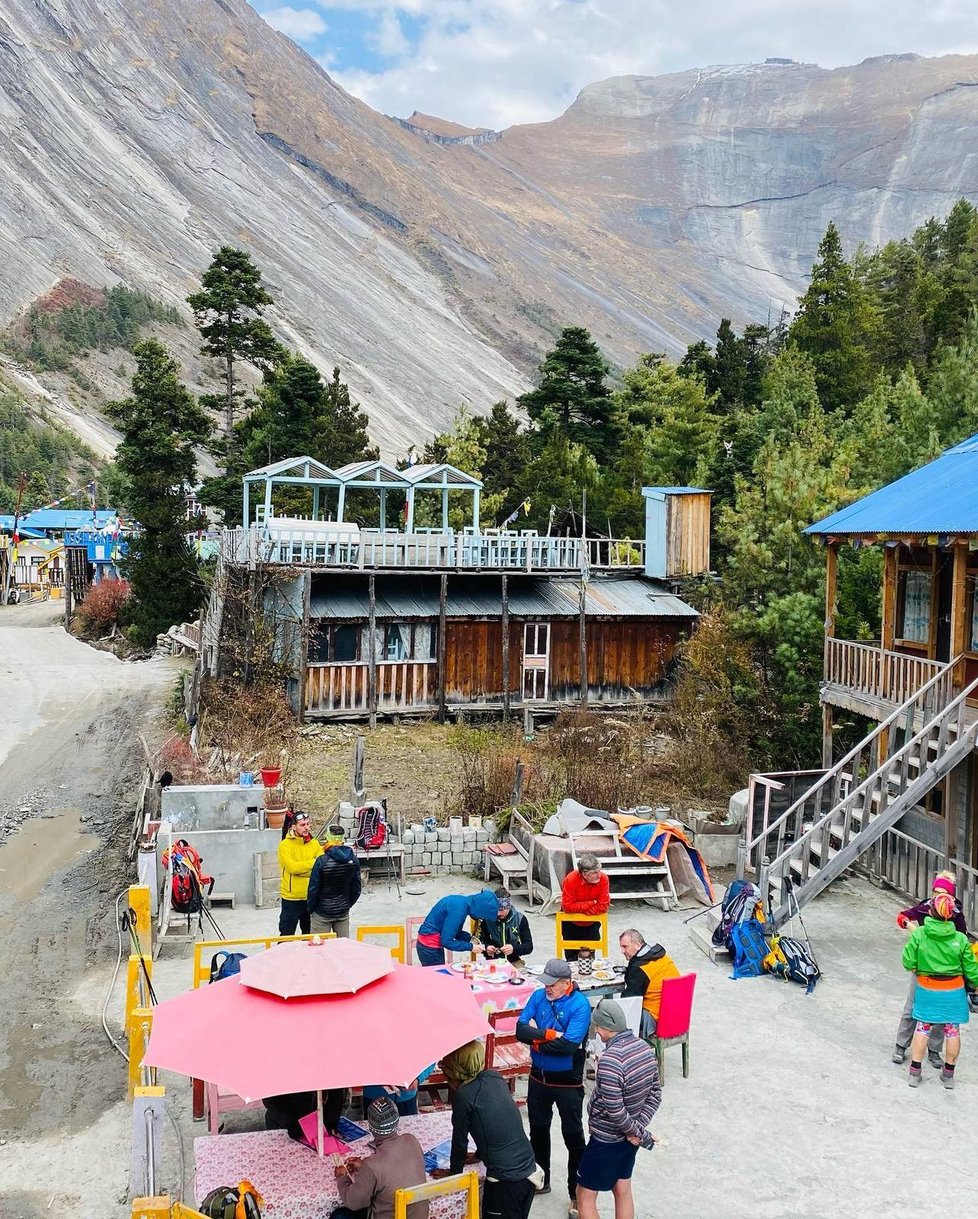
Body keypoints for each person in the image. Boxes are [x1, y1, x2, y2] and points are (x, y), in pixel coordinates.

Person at [515, 958, 592, 1209]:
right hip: (539, 1076)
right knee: (537, 1131)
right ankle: (541, 1180)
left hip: (567, 1081)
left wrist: (535, 1038)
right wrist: (547, 1035)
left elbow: (568, 1046)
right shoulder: (538, 996)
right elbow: (520, 1030)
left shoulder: (580, 1005)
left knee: (573, 1136)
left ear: (566, 984)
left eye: (552, 984)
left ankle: (575, 1192)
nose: (547, 988)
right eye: (546, 983)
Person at [576, 1000, 660, 1219]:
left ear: (604, 1027)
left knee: (584, 1194)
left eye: (597, 1027)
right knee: (622, 1189)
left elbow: (616, 1111)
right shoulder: (644, 1047)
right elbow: (655, 1094)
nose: (595, 1031)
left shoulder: (611, 1061)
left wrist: (637, 1132)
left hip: (606, 1139)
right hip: (628, 1140)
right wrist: (638, 1128)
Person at [438, 1040, 540, 1219]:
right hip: (528, 1169)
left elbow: (459, 1141)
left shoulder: (464, 1096)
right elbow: (496, 1122)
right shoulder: (494, 1077)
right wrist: (479, 1155)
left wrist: (452, 1176)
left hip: (506, 1182)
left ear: (455, 1070)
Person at [902, 890, 978, 1089]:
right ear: (951, 914)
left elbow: (908, 961)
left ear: (931, 912)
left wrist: (919, 969)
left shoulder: (919, 934)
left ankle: (915, 1073)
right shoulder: (961, 940)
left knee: (922, 1028)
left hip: (927, 988)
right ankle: (948, 1075)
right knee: (952, 1031)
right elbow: (972, 970)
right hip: (953, 991)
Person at [892, 872, 968, 1067]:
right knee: (911, 1008)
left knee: (941, 1016)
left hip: (947, 974)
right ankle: (901, 1045)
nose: (937, 897)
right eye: (935, 892)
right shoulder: (926, 907)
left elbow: (962, 944)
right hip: (923, 970)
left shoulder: (956, 915)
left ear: (951, 896)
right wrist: (914, 929)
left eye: (942, 893)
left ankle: (934, 1051)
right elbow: (902, 917)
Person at [416, 889, 504, 965]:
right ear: (480, 909)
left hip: (431, 943)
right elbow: (447, 941)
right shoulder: (459, 912)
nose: (481, 917)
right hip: (429, 946)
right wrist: (471, 947)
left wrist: (476, 942)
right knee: (438, 979)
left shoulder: (463, 903)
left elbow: (456, 932)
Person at [618, 929, 680, 1038]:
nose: (622, 951)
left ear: (637, 945)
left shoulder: (640, 968)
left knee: (612, 1014)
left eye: (625, 947)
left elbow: (629, 1000)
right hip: (676, 1013)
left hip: (655, 1018)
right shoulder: (661, 956)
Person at [307, 824, 362, 937]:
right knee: (342, 950)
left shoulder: (322, 861)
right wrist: (346, 905)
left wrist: (311, 908)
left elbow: (313, 889)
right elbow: (356, 888)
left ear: (328, 837)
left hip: (322, 913)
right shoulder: (353, 859)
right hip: (342, 912)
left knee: (319, 950)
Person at [278, 811, 323, 936]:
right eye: (302, 825)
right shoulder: (285, 846)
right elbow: (293, 868)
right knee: (286, 935)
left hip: (311, 897)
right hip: (291, 899)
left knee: (310, 935)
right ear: (293, 827)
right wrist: (313, 864)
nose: (307, 827)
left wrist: (302, 870)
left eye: (308, 824)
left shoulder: (314, 843)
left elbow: (322, 866)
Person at [560, 854, 610, 961]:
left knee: (589, 958)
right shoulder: (571, 879)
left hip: (592, 923)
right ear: (584, 874)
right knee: (571, 959)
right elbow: (567, 907)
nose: (599, 875)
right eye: (594, 873)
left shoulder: (604, 879)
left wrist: (583, 911)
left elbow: (604, 906)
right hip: (571, 923)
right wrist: (591, 903)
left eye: (599, 871)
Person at [474, 888, 534, 966]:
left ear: (508, 907)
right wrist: (486, 948)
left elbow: (529, 947)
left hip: (513, 961)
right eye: (496, 910)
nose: (498, 913)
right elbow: (476, 942)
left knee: (521, 977)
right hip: (491, 962)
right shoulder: (486, 918)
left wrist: (514, 948)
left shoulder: (520, 919)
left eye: (502, 910)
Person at [362, 1065, 436, 1118]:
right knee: (374, 1133)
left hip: (406, 1096)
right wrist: (376, 1077)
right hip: (375, 1095)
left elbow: (430, 1057)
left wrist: (418, 1078)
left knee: (407, 1129)